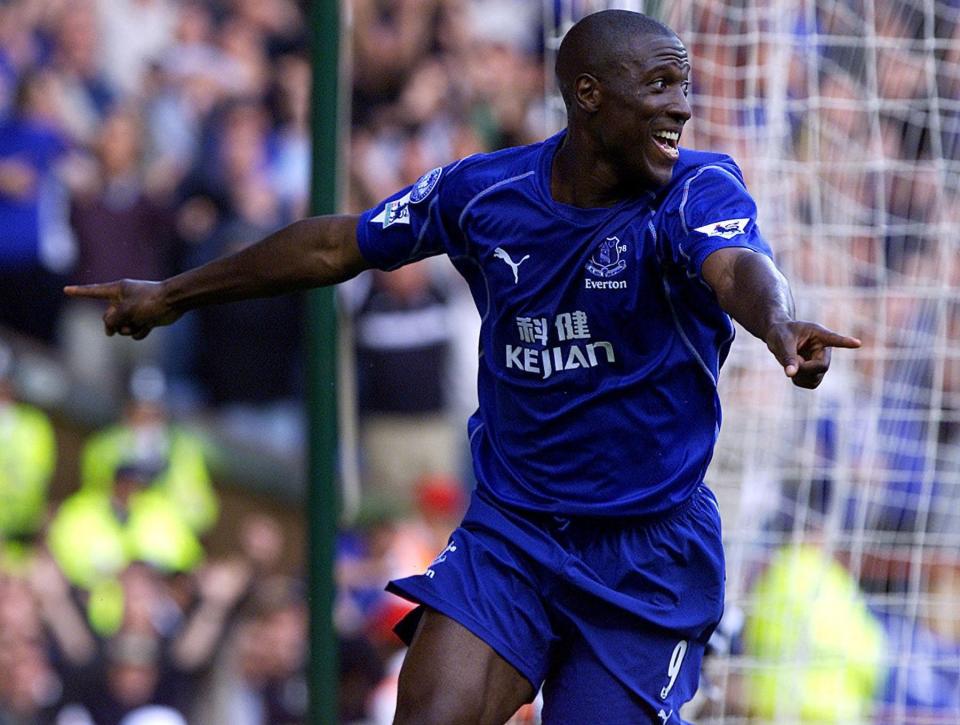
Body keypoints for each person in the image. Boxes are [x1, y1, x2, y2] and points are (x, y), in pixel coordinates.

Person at [65, 10, 862, 723]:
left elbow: (736, 265)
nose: (680, 108)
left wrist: (778, 323)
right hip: (512, 532)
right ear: (588, 95)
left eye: (683, 87)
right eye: (658, 87)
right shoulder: (486, 193)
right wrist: (174, 291)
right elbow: (336, 243)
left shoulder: (694, 188)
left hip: (646, 554)